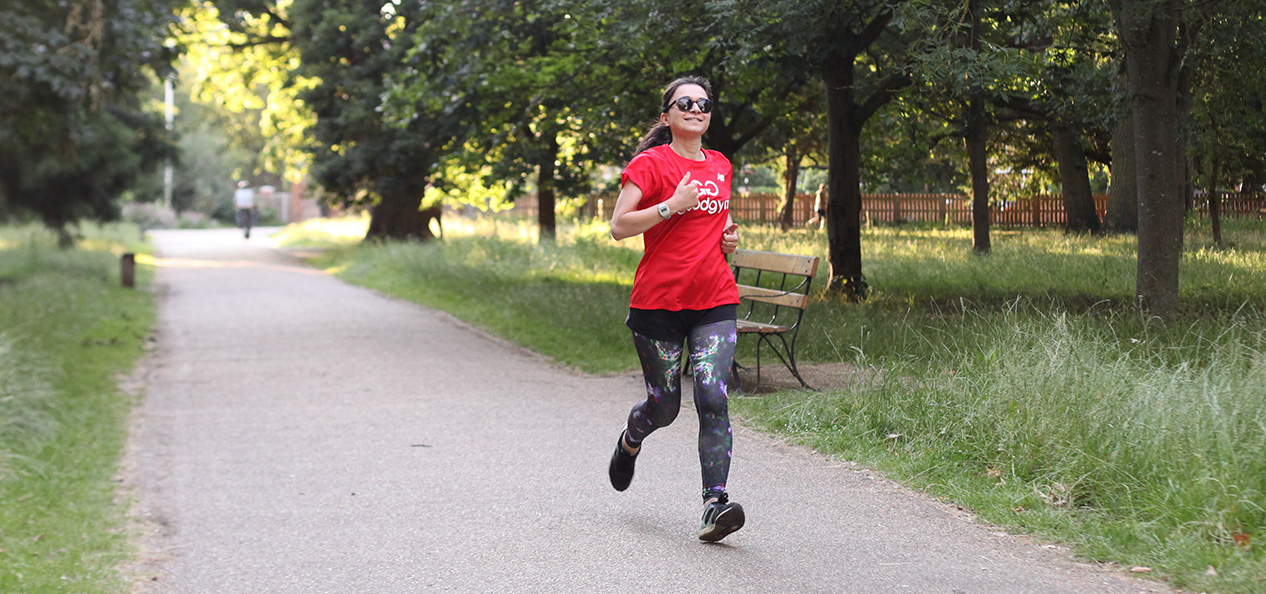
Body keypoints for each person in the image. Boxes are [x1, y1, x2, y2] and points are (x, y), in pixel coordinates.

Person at [607, 76, 745, 542]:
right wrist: (672, 205)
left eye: (703, 103)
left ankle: (714, 504)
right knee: (664, 408)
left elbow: (717, 217)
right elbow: (619, 226)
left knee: (713, 396)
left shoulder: (721, 165)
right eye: (684, 102)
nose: (695, 108)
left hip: (715, 299)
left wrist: (727, 236)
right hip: (658, 304)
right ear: (666, 116)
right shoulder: (650, 164)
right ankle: (631, 440)